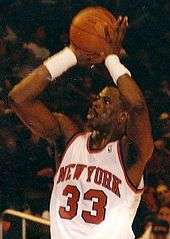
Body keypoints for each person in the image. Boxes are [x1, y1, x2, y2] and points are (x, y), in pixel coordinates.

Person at [9, 15, 153, 239]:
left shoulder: (129, 153)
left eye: (106, 102)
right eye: (97, 98)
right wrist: (71, 55)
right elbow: (19, 99)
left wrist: (111, 58)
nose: (96, 102)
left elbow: (137, 105)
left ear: (122, 117)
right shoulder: (69, 137)